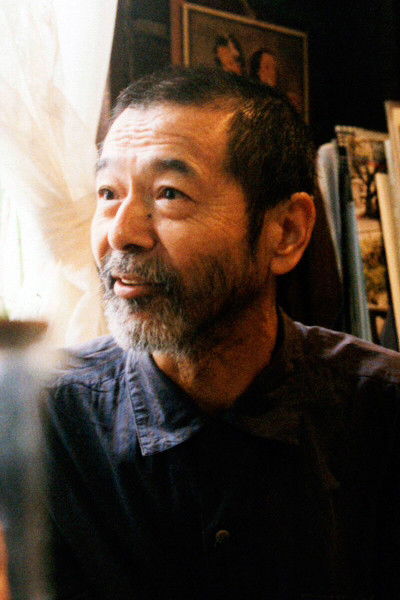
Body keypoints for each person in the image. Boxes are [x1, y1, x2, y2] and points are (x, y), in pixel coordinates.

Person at [44, 67, 400, 600]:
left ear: (286, 231)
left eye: (169, 193)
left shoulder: (383, 414)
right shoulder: (42, 418)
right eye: (108, 192)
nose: (122, 232)